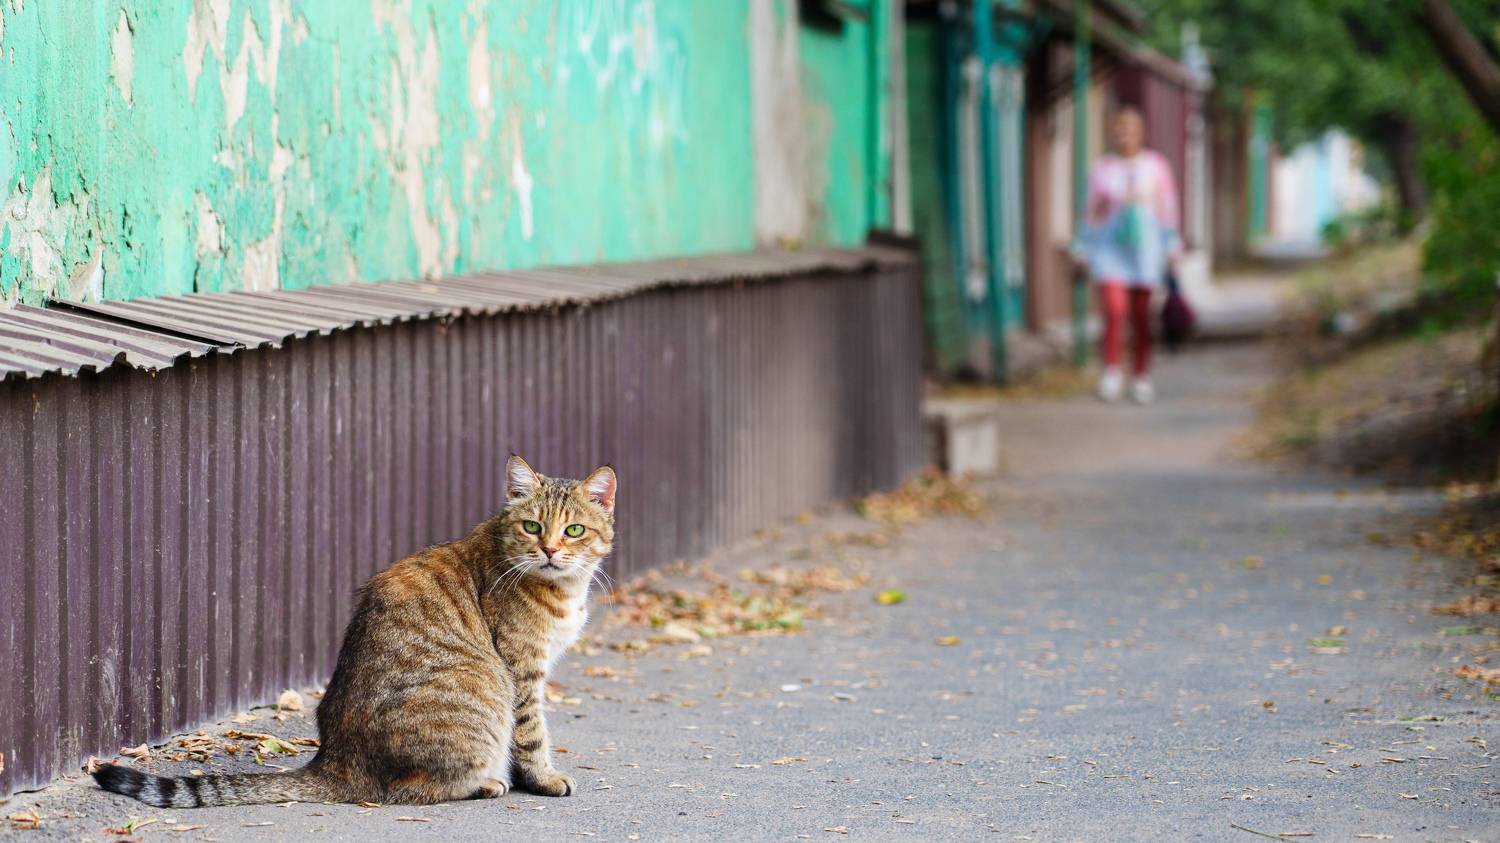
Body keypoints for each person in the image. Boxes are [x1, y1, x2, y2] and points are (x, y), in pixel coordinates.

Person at [1077, 106, 1181, 404]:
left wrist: (1171, 245)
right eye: (1120, 131)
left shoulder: (1156, 167)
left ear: (1141, 134)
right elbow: (1090, 211)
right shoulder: (1103, 169)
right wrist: (1083, 245)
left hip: (1146, 251)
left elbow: (1167, 208)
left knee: (1141, 317)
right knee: (1114, 309)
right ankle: (1110, 371)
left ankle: (1140, 375)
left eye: (1132, 131)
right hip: (1111, 250)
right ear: (1113, 134)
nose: (1126, 137)